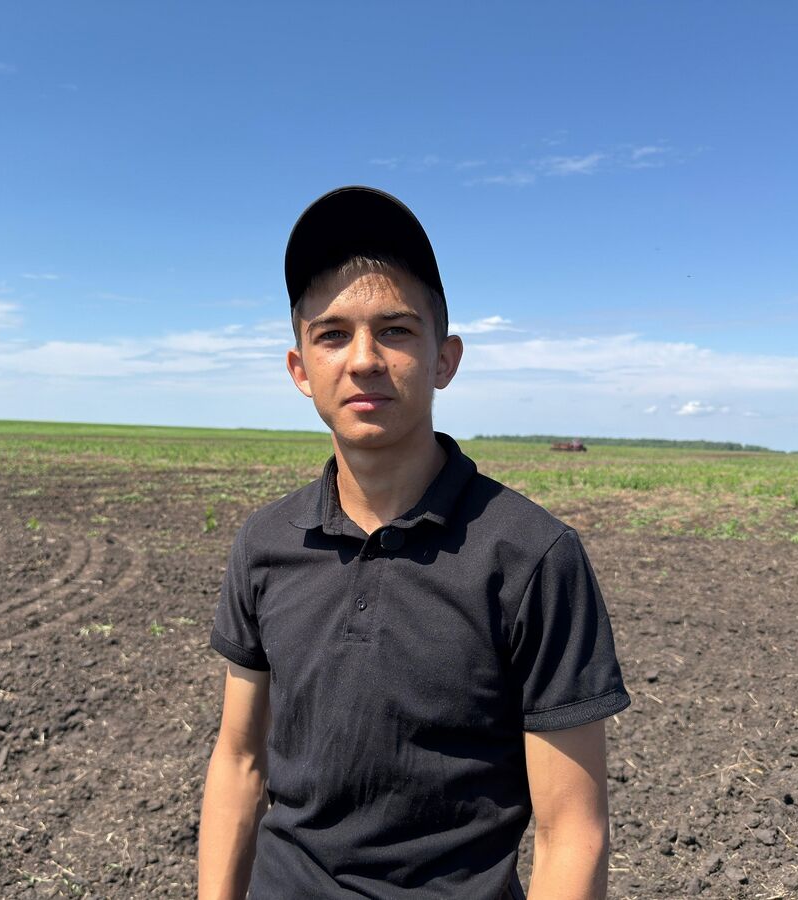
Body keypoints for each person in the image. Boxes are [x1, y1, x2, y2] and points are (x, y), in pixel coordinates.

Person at [198, 186, 630, 900]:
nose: (363, 359)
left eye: (395, 330)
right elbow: (240, 761)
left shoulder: (532, 558)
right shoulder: (265, 543)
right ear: (300, 370)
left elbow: (572, 833)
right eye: (332, 335)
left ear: (444, 360)